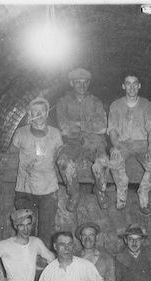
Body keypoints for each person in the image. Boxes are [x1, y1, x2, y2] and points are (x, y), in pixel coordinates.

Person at [10, 97, 63, 244]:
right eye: (35, 112)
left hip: (48, 189)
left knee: (46, 231)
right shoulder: (21, 133)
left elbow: (61, 157)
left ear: (47, 113)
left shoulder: (55, 134)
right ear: (29, 114)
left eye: (42, 111)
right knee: (26, 230)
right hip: (25, 189)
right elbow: (9, 157)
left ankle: (42, 264)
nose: (38, 114)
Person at [56, 68, 109, 211]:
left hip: (94, 143)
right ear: (72, 83)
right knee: (64, 161)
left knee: (103, 162)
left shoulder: (96, 102)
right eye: (78, 83)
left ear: (89, 83)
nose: (82, 86)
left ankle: (100, 190)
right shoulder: (63, 102)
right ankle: (74, 193)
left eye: (85, 83)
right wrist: (89, 125)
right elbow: (64, 127)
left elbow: (102, 127)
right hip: (71, 143)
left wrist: (77, 125)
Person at [107, 73, 151, 214]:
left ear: (139, 85)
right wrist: (116, 146)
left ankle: (143, 192)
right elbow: (112, 130)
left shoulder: (146, 104)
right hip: (123, 143)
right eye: (128, 83)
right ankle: (122, 189)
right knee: (115, 160)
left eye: (135, 83)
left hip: (142, 143)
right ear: (123, 86)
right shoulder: (116, 105)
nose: (131, 87)